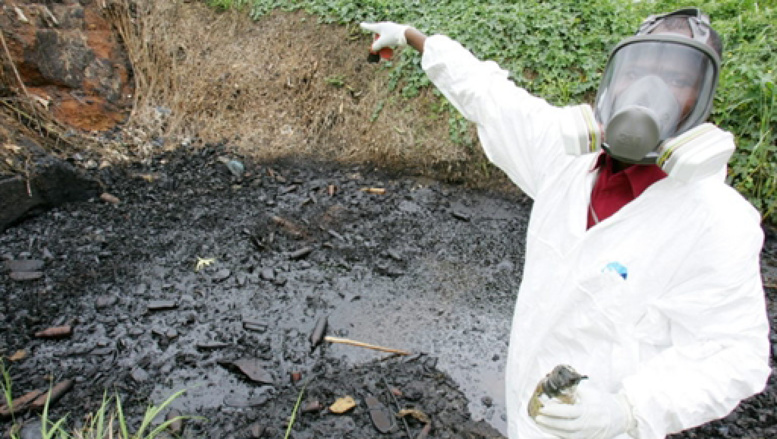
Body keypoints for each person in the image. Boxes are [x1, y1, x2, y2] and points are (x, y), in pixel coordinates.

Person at [361, 8, 771, 439]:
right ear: (616, 77)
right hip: (526, 410)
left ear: (702, 99)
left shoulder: (716, 222)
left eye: (676, 79)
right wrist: (411, 35)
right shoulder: (565, 157)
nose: (650, 93)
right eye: (639, 73)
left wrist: (628, 409)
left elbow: (733, 355)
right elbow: (488, 95)